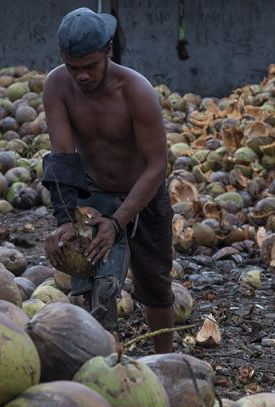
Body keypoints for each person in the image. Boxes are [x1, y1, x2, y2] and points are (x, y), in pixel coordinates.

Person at [41, 7, 175, 353]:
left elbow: (157, 166)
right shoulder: (57, 85)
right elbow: (62, 158)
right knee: (92, 286)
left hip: (142, 196)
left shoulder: (136, 91)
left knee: (155, 286)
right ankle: (97, 358)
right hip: (94, 194)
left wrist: (117, 222)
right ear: (62, 59)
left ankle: (165, 358)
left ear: (108, 51)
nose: (82, 77)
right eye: (74, 67)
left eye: (90, 67)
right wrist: (67, 219)